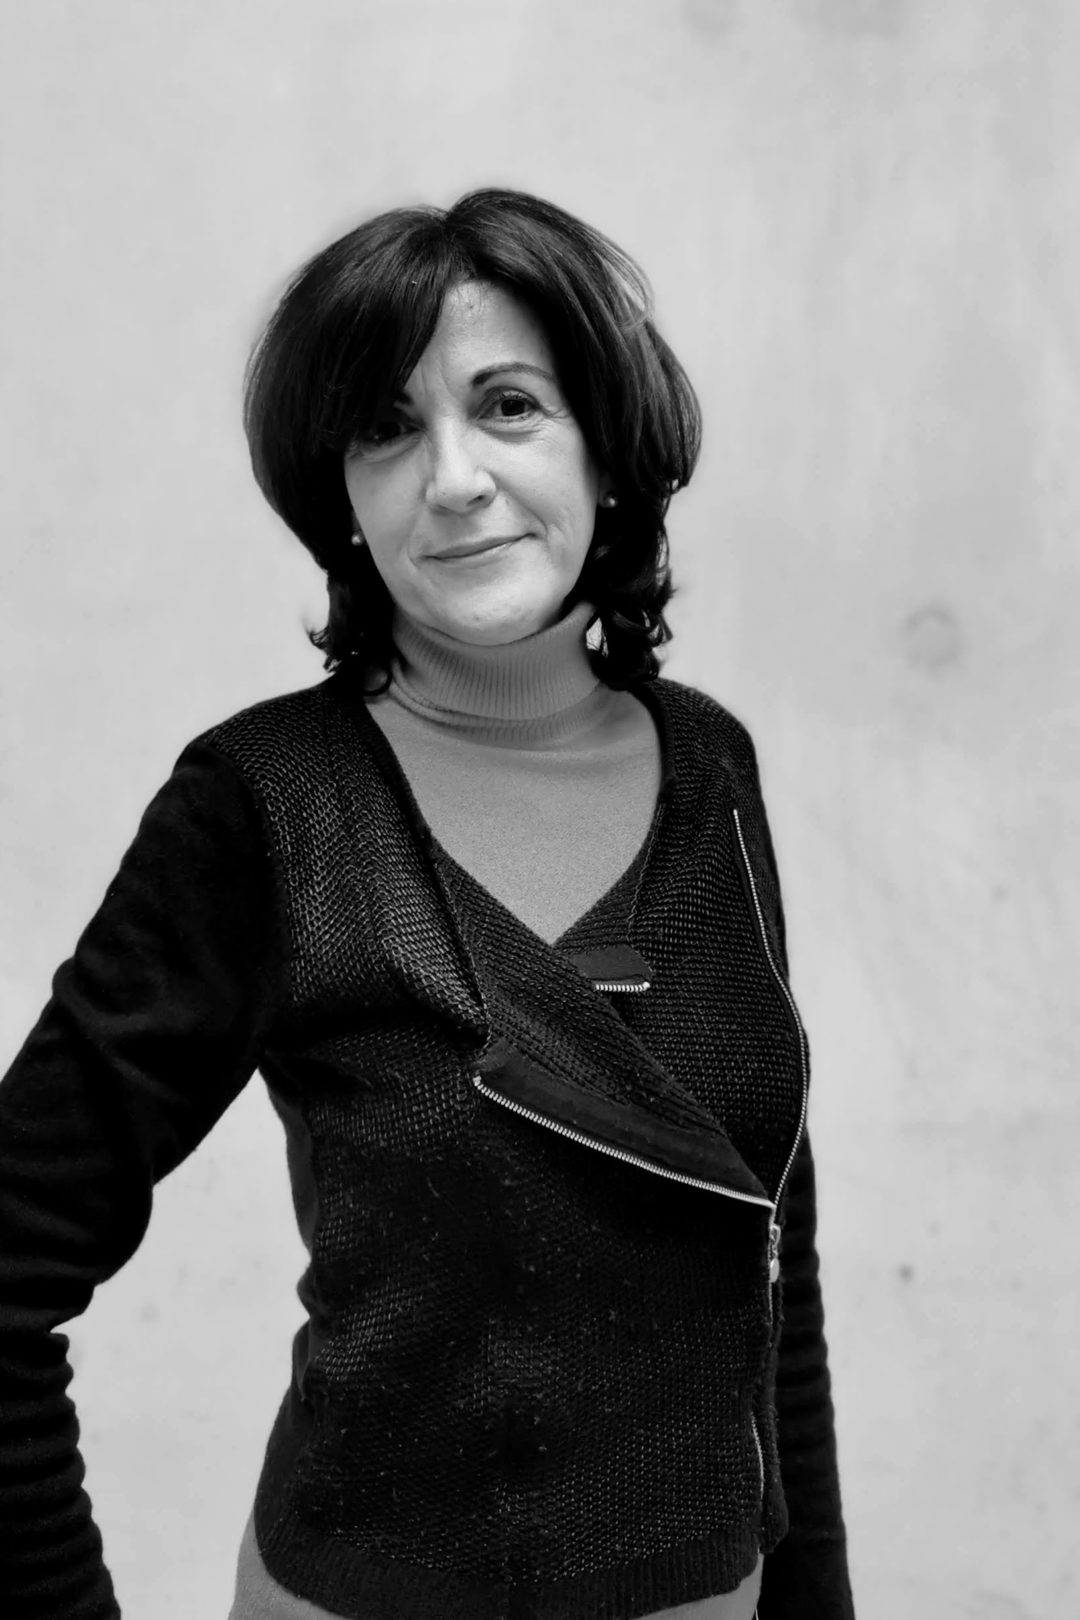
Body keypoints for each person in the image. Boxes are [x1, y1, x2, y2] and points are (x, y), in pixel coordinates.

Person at [0, 189, 854, 1620]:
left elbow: (770, 1254)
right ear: (339, 497)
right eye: (385, 429)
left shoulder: (711, 765)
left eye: (508, 406)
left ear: (605, 445)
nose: (452, 477)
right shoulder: (264, 805)